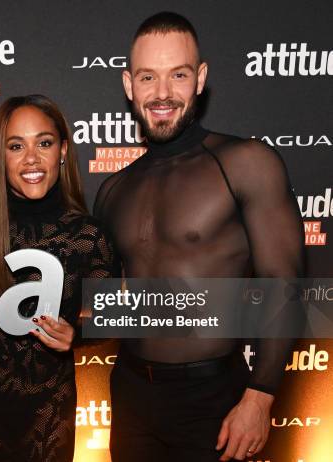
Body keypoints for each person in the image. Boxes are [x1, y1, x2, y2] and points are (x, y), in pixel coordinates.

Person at [94, 12, 305, 462]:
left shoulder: (246, 163)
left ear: (201, 78)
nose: (163, 93)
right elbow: (107, 307)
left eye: (179, 75)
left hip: (213, 402)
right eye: (148, 77)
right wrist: (63, 329)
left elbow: (284, 283)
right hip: (131, 395)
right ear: (129, 85)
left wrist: (261, 395)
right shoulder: (113, 190)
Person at [0, 95, 119, 461]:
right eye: (16, 146)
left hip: (50, 412)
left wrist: (76, 334)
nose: (31, 158)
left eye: (43, 143)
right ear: (1, 157)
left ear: (62, 150)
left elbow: (109, 318)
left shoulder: (89, 235)